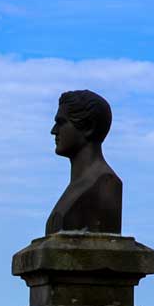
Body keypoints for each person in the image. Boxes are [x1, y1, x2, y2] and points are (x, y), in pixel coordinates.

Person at [45, 89, 122, 235]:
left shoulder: (105, 182)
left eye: (61, 123)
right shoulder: (78, 185)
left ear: (88, 127)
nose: (54, 131)